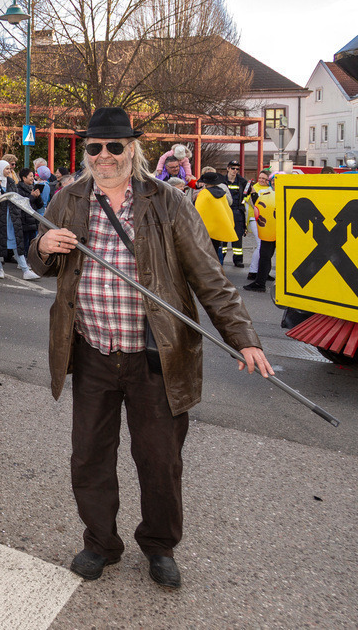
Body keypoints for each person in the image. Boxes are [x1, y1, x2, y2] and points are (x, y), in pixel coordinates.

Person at [29, 107, 273, 589]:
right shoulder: (68, 198)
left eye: (114, 146)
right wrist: (43, 248)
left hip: (156, 356)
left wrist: (243, 338)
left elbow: (210, 277)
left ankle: (160, 545)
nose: (104, 156)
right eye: (95, 147)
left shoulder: (167, 202)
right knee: (89, 457)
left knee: (159, 460)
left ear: (132, 149)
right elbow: (45, 266)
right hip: (93, 351)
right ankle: (100, 543)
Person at [0, 160, 22, 279]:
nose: (9, 171)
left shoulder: (11, 181)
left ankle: (24, 267)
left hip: (11, 214)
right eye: (6, 168)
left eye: (9, 169)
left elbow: (15, 196)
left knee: (16, 240)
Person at [194, 169, 237, 264]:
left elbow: (197, 211)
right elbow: (227, 210)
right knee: (216, 253)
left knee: (205, 255)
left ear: (205, 183)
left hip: (206, 229)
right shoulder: (222, 193)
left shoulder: (204, 194)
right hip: (218, 229)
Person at [243, 176, 276, 293]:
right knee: (266, 256)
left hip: (269, 230)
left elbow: (259, 205)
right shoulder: (280, 194)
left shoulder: (270, 195)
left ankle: (260, 283)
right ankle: (262, 280)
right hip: (277, 231)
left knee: (265, 256)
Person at [246, 169, 273, 280]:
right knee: (261, 244)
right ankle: (253, 271)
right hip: (255, 218)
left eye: (264, 179)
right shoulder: (254, 188)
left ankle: (263, 271)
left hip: (268, 220)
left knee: (266, 247)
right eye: (260, 178)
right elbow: (252, 203)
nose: (261, 180)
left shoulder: (271, 189)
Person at [222, 160, 248, 267]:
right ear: (228, 168)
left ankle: (238, 260)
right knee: (223, 237)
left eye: (237, 169)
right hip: (225, 211)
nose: (235, 171)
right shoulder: (222, 181)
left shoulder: (242, 182)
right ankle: (220, 258)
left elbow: (249, 193)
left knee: (237, 237)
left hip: (237, 212)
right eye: (233, 168)